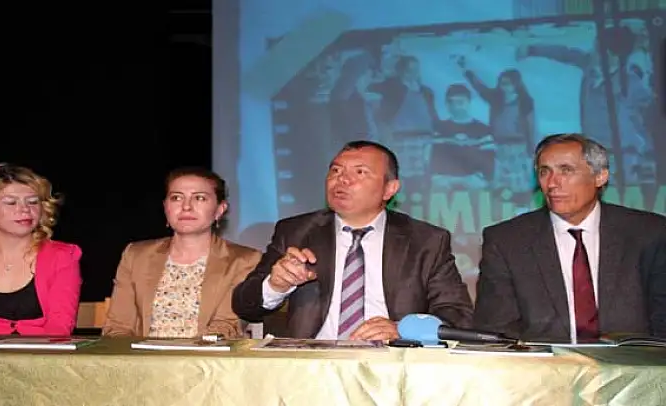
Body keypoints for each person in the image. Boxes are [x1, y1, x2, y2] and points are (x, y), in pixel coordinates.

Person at [232, 140, 473, 340]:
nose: (342, 179)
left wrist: (404, 330)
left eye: (360, 172)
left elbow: (458, 315)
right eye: (336, 171)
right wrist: (276, 285)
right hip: (313, 363)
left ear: (389, 189)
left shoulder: (426, 241)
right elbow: (244, 306)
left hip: (392, 362)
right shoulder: (295, 231)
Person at [474, 133, 666, 342]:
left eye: (566, 170)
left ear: (600, 176)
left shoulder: (649, 234)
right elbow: (497, 333)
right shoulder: (507, 241)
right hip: (541, 362)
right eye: (544, 172)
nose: (552, 183)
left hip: (634, 361)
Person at [102, 167, 261, 339]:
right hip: (139, 355)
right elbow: (118, 327)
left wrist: (185, 354)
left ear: (219, 209)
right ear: (165, 207)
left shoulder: (244, 260)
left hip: (207, 355)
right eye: (176, 198)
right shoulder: (135, 255)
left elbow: (226, 326)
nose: (186, 206)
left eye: (199, 198)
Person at [0, 163, 82, 338]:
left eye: (33, 202)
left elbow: (59, 329)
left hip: (42, 353)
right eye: (11, 202)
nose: (25, 209)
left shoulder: (63, 256)